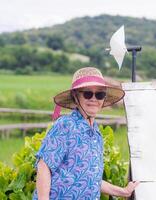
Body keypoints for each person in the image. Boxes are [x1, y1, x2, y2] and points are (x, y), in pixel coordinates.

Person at [33, 67, 139, 199]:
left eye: (99, 94)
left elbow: (91, 180)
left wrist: (123, 191)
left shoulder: (96, 134)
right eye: (87, 94)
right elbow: (44, 166)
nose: (94, 99)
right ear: (75, 97)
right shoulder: (66, 125)